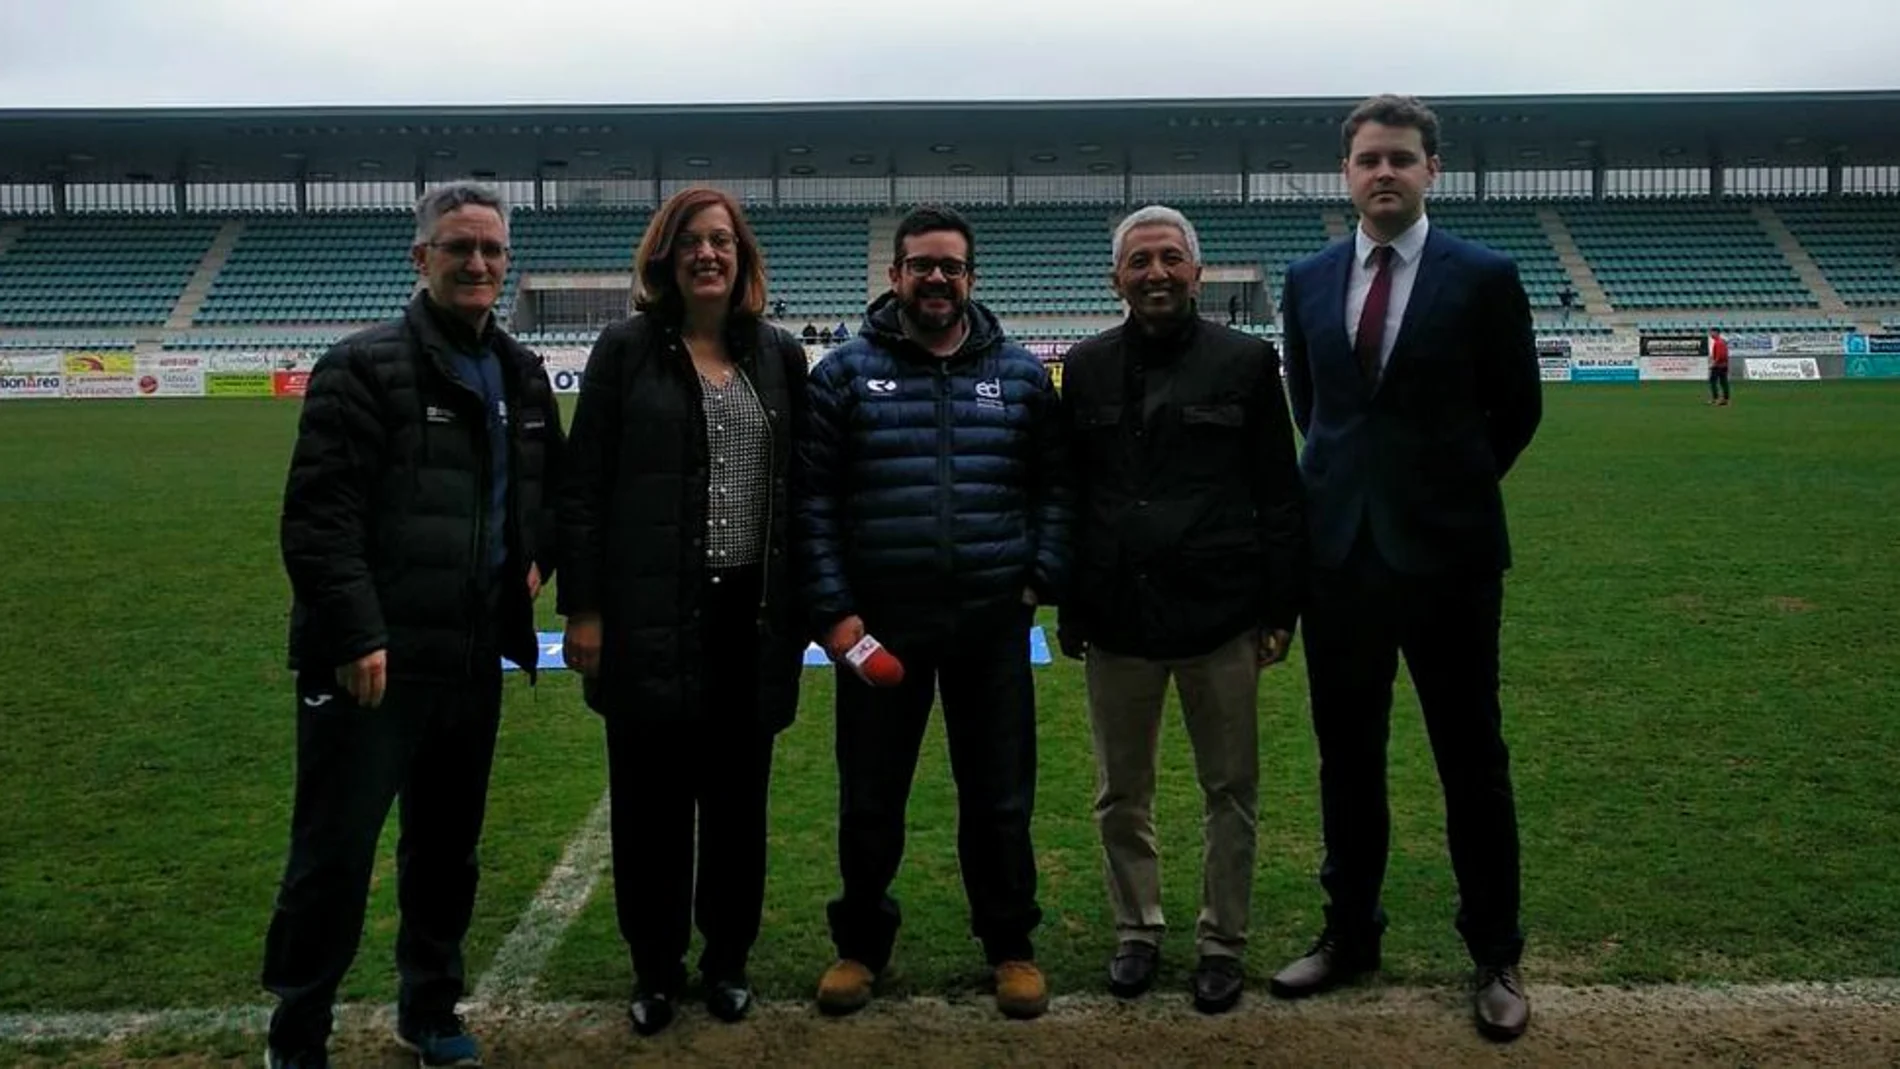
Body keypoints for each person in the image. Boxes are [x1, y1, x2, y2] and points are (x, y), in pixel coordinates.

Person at [265, 181, 564, 1069]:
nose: (477, 263)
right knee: (334, 854)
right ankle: (299, 1031)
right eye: (458, 247)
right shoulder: (360, 366)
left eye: (493, 250)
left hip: (470, 657)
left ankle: (428, 1008)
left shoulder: (518, 371)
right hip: (372, 664)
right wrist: (357, 633)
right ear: (421, 257)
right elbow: (320, 518)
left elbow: (551, 485)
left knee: (446, 853)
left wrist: (535, 552)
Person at [1273, 95, 1543, 1042]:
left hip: (1451, 560)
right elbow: (1315, 406)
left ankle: (1495, 951)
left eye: (1400, 158)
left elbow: (1516, 408)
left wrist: (1443, 492)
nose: (1382, 172)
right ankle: (1350, 933)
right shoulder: (1307, 281)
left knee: (1472, 759)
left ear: (1434, 170)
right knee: (1347, 760)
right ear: (1344, 174)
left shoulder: (1483, 275)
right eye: (1367, 160)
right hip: (1339, 558)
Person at [798, 204, 1070, 1020]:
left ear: (971, 277)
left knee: (998, 799)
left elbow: (1056, 489)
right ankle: (860, 945)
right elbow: (811, 502)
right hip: (882, 626)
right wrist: (837, 615)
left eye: (951, 266)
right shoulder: (843, 374)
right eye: (922, 265)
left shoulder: (1021, 375)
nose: (937, 279)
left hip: (992, 625)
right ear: (896, 275)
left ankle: (1011, 946)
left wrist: (1037, 578)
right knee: (872, 797)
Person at [557, 187, 810, 1036]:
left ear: (743, 260)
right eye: (692, 242)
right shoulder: (625, 349)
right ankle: (655, 968)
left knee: (739, 805)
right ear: (664, 257)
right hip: (648, 615)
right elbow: (584, 487)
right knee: (650, 804)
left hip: (750, 617)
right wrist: (584, 608)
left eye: (723, 242)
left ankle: (727, 958)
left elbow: (798, 492)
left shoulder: (777, 355)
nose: (709, 254)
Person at [1058, 206, 1305, 1014]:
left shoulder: (1246, 362)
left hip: (1221, 614)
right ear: (1116, 278)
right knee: (1119, 790)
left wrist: (1279, 606)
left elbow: (1278, 490)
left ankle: (1220, 941)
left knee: (1229, 787)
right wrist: (1072, 599)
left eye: (1170, 259)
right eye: (1140, 262)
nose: (1156, 273)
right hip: (1118, 616)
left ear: (1198, 273)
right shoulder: (1086, 367)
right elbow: (1071, 492)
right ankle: (1137, 928)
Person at [1708, 328, 1731, 405]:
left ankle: (1716, 398)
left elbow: (1719, 356)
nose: (1711, 334)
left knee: (1713, 382)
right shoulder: (1722, 342)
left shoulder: (1718, 342)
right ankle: (1726, 399)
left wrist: (1714, 364)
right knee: (1724, 382)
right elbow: (1725, 355)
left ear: (1716, 333)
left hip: (1718, 366)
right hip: (1724, 365)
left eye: (1712, 332)